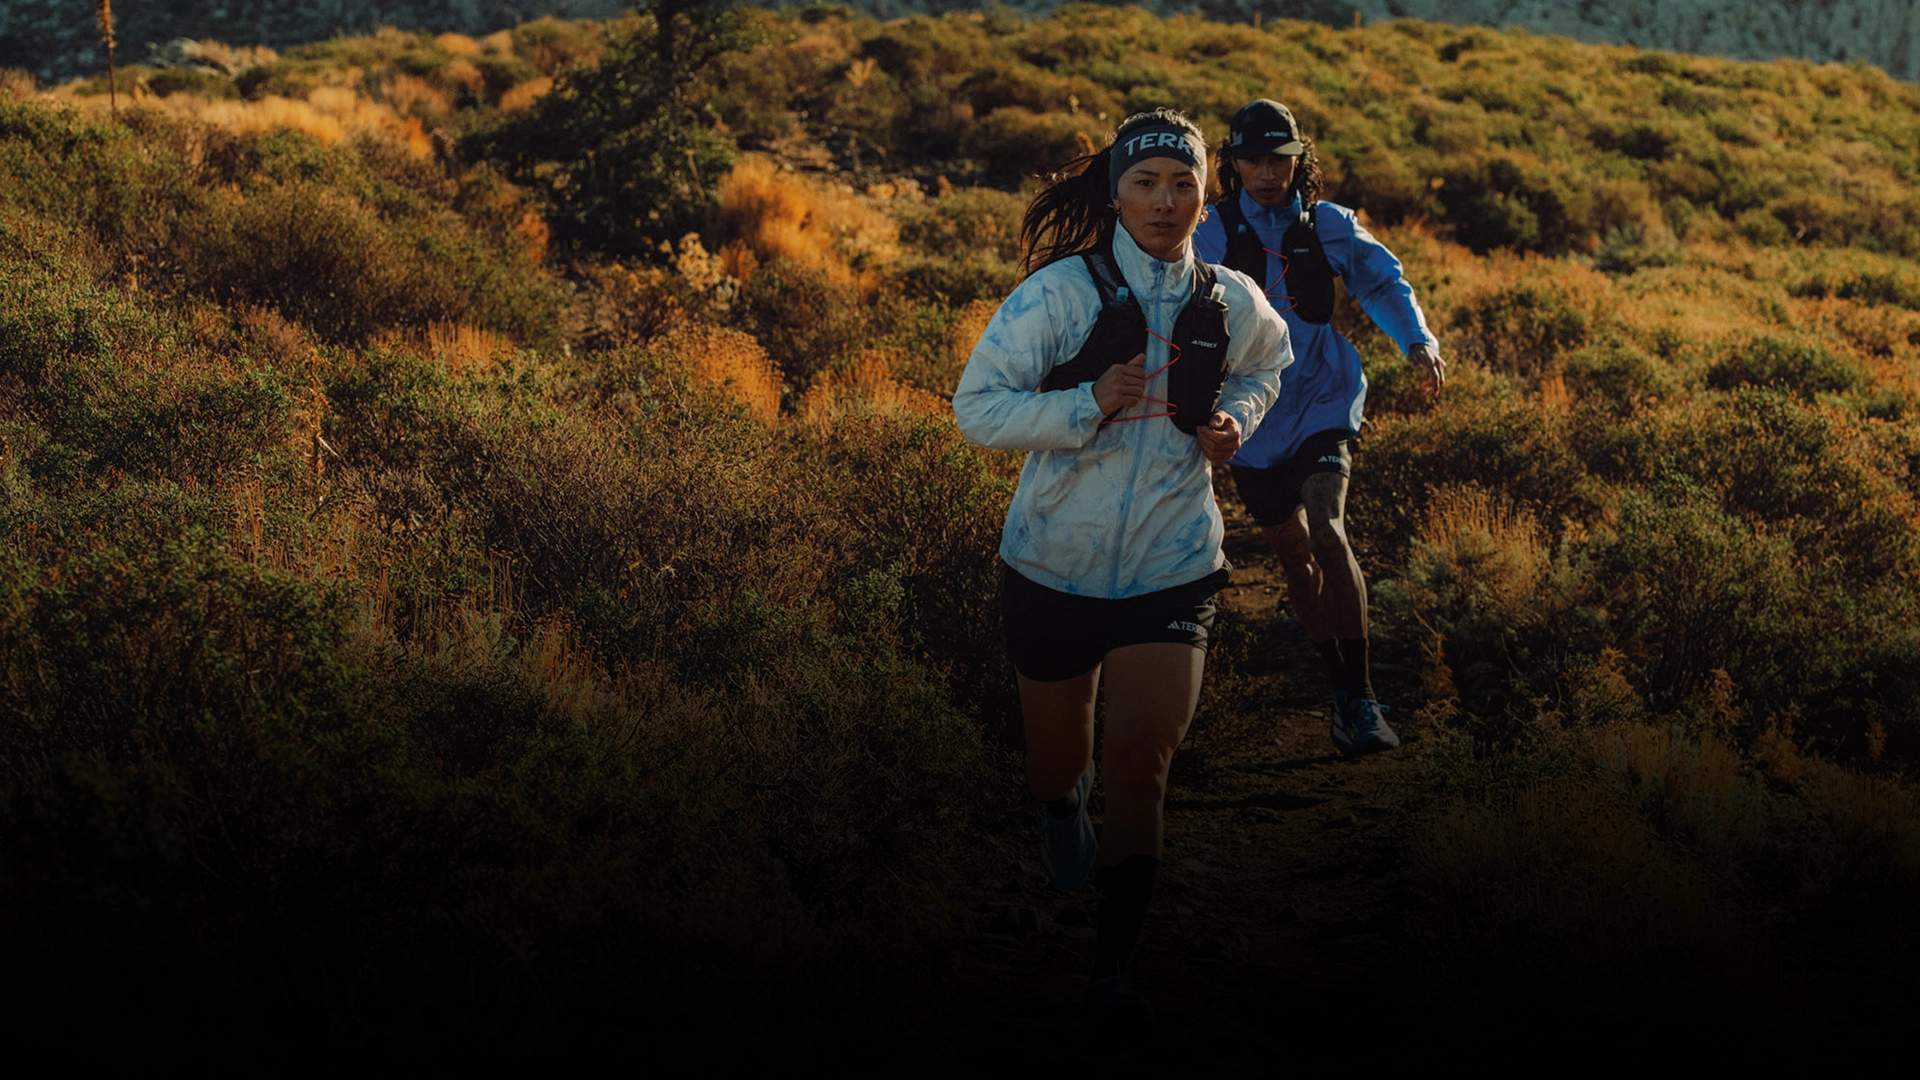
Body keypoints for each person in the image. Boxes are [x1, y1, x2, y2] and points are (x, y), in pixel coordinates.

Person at [952, 107, 1291, 1034]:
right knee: (1060, 767)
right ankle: (1059, 804)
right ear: (1115, 194)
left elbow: (1271, 365)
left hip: (1171, 566)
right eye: (1146, 183)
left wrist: (1238, 424)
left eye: (1183, 183)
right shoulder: (1060, 295)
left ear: (1204, 192)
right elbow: (976, 411)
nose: (1166, 200)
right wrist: (1083, 402)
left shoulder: (1228, 299)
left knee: (1141, 765)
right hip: (1051, 565)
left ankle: (1111, 971)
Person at [1192, 98, 1446, 759]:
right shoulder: (1212, 233)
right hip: (1252, 414)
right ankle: (1338, 685)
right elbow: (1174, 299)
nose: (1268, 172)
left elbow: (1383, 282)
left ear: (1299, 161)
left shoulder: (1328, 225)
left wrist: (1416, 342)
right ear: (1234, 164)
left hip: (1324, 397)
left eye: (1281, 159)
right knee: (1295, 561)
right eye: (1254, 160)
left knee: (1329, 532)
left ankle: (1361, 699)